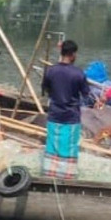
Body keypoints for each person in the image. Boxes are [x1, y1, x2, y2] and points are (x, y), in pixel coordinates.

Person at [40, 40, 90, 179]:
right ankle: (67, 176)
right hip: (71, 116)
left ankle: (50, 175)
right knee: (70, 146)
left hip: (55, 114)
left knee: (53, 145)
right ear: (73, 54)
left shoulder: (51, 71)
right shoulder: (78, 73)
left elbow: (46, 89)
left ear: (61, 53)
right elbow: (85, 94)